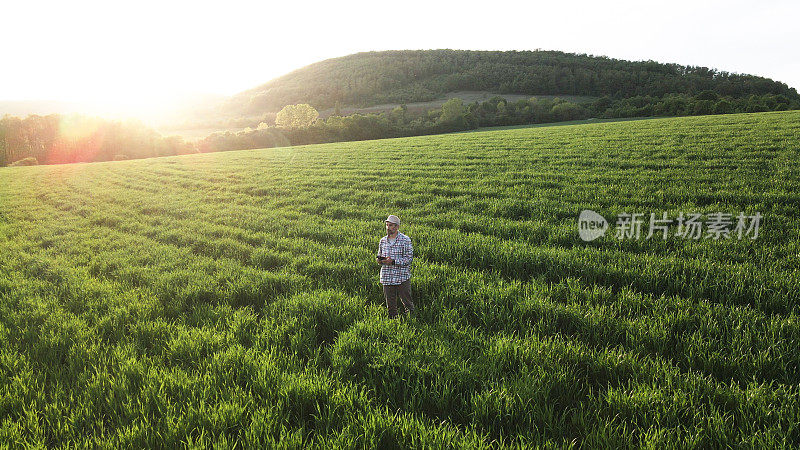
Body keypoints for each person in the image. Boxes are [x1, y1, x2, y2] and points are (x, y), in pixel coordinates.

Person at [376, 214, 415, 318]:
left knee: (407, 303)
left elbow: (409, 259)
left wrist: (393, 261)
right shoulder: (383, 241)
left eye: (391, 225)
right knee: (391, 305)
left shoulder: (405, 240)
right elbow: (380, 255)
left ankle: (412, 322)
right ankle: (393, 323)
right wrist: (380, 260)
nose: (388, 227)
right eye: (387, 225)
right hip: (387, 277)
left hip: (402, 277)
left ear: (397, 227)